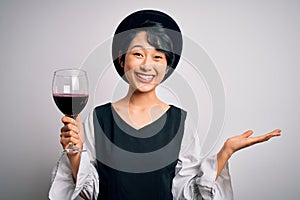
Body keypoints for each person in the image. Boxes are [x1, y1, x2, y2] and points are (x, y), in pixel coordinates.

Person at [49, 9, 281, 200]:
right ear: (122, 58)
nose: (147, 65)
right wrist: (74, 151)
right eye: (138, 54)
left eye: (158, 57)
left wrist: (225, 152)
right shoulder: (98, 119)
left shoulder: (180, 122)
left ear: (167, 66)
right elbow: (88, 193)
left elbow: (186, 193)